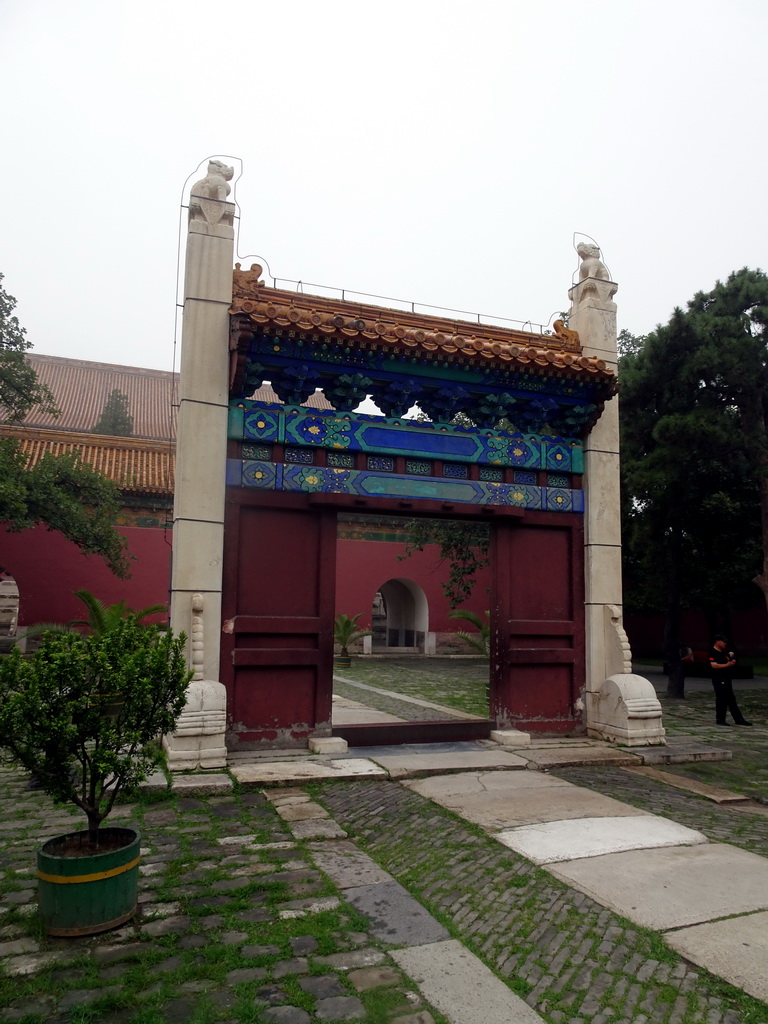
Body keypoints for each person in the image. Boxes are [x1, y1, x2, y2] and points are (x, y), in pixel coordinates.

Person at [709, 634, 752, 726]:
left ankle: (738, 719)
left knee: (731, 699)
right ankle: (720, 719)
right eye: (723, 642)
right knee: (721, 699)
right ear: (717, 642)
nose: (725, 643)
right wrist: (727, 665)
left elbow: (728, 659)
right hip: (719, 679)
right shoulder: (712, 652)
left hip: (727, 678)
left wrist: (732, 659)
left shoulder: (723, 652)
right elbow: (714, 665)